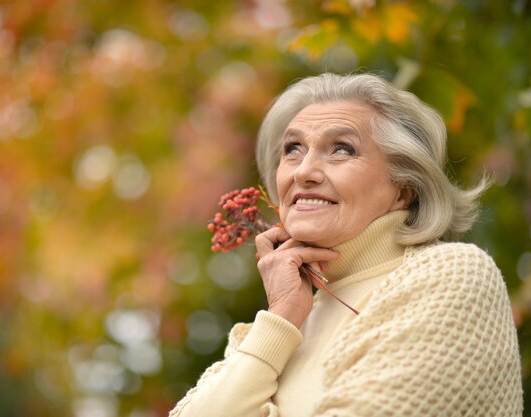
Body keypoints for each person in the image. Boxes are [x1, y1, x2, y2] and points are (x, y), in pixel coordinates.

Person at [168, 73, 523, 417]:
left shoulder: (453, 275)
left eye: (341, 149)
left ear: (404, 188)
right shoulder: (284, 319)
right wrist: (280, 318)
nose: (303, 171)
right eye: (292, 149)